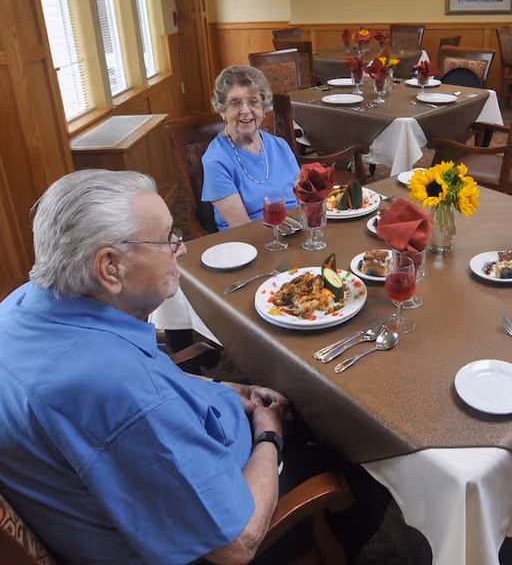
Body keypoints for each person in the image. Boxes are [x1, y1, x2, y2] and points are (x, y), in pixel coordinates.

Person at [0, 170, 386, 564]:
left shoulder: (21, 307)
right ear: (110, 268)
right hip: (208, 531)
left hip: (145, 472)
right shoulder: (121, 391)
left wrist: (227, 387)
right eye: (168, 238)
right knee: (361, 469)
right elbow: (236, 545)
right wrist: (270, 435)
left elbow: (142, 385)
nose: (181, 249)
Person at [202, 65, 301, 231]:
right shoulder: (215, 161)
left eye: (253, 102)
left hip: (294, 232)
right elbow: (243, 229)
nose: (246, 111)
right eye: (235, 103)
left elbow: (303, 199)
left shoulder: (280, 146)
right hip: (249, 244)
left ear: (263, 108)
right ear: (222, 111)